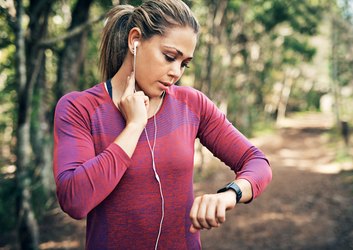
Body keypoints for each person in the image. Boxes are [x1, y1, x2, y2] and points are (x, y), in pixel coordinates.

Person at [53, 0, 272, 249]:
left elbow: (257, 162)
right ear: (135, 40)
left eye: (184, 63)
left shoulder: (192, 104)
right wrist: (134, 126)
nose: (176, 72)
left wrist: (230, 193)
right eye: (169, 57)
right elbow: (74, 199)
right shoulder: (79, 108)